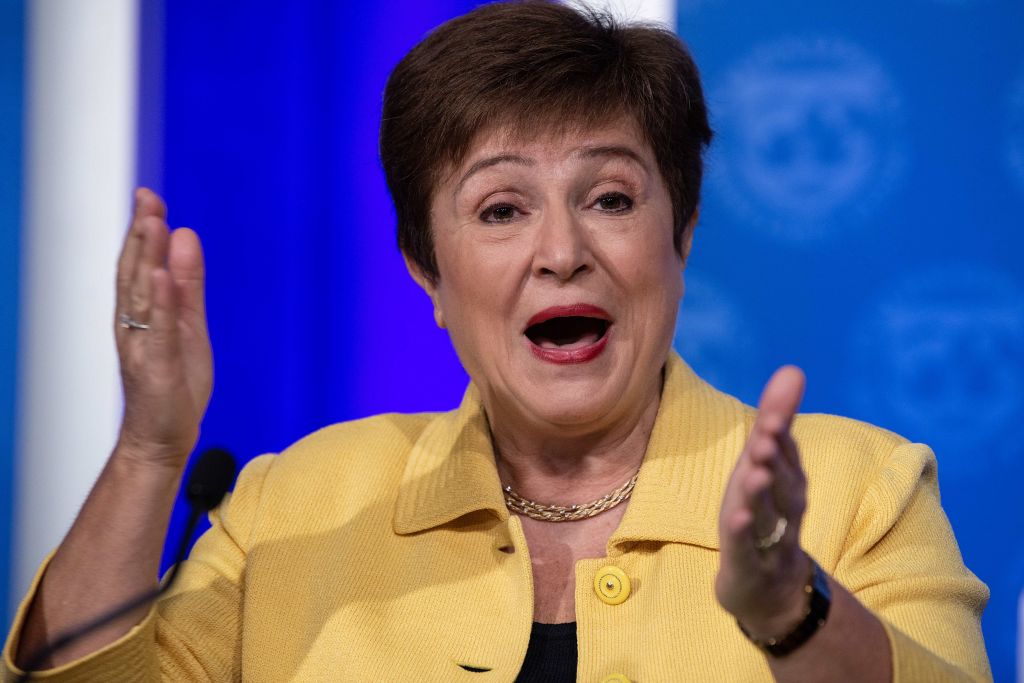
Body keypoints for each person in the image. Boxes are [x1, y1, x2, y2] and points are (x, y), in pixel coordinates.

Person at [3, 2, 991, 681]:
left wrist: (791, 612)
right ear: (426, 270)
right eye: (502, 209)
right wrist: (149, 451)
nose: (561, 252)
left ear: (682, 233)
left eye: (611, 199)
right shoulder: (292, 507)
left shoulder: (860, 492)